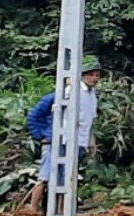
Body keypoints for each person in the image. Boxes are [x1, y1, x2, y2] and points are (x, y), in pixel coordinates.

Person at [29, 60, 105, 191]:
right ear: (81, 75)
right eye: (91, 74)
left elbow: (89, 120)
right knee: (46, 176)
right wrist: (41, 135)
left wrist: (91, 140)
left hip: (79, 141)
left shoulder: (92, 96)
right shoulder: (65, 93)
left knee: (67, 178)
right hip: (61, 139)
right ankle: (33, 209)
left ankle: (60, 208)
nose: (95, 78)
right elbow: (34, 115)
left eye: (97, 75)